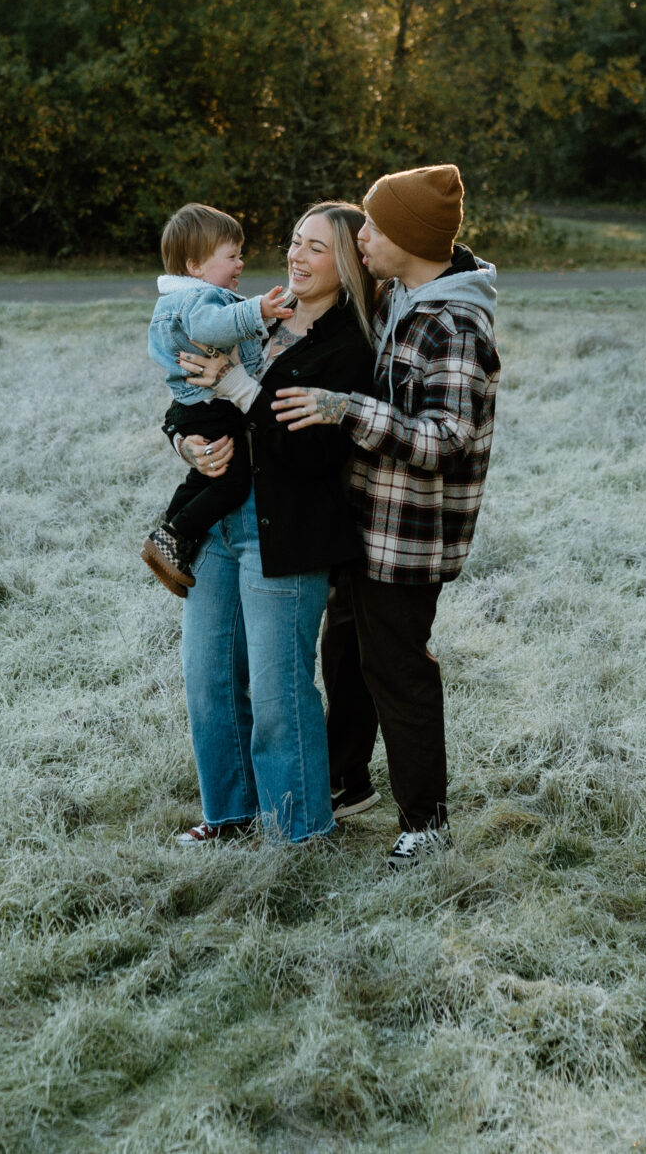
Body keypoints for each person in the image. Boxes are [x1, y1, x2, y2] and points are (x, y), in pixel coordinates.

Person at [271, 164, 499, 869]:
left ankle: (426, 823)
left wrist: (349, 410)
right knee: (344, 651)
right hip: (364, 522)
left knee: (396, 667)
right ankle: (345, 782)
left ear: (407, 236)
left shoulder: (454, 323)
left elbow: (445, 437)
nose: (358, 236)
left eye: (371, 225)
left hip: (410, 538)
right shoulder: (402, 295)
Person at [164, 203, 381, 845]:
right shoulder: (256, 318)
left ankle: (297, 832)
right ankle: (230, 818)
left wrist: (238, 387)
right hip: (217, 526)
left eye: (316, 248)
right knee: (208, 681)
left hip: (285, 533)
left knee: (279, 696)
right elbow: (185, 396)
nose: (297, 256)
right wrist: (186, 445)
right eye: (294, 241)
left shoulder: (348, 347)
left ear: (344, 266)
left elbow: (316, 454)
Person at [142, 203, 289, 594]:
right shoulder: (199, 302)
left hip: (192, 408)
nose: (240, 264)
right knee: (234, 482)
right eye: (231, 256)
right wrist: (256, 310)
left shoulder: (177, 300)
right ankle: (176, 534)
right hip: (211, 405)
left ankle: (170, 540)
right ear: (195, 266)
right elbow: (215, 326)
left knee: (204, 475)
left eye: (240, 255)